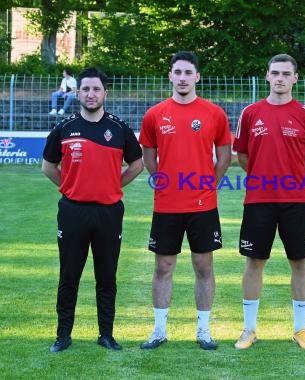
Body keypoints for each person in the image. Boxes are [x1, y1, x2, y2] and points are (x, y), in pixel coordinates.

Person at [42, 67, 143, 352]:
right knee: (69, 275)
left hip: (109, 213)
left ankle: (106, 334)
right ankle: (63, 335)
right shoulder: (64, 127)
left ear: (104, 93)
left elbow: (137, 164)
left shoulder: (119, 128)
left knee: (107, 276)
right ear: (77, 92)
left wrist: (115, 185)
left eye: (96, 89)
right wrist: (69, 187)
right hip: (73, 211)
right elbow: (48, 166)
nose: (90, 94)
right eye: (85, 89)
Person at [232, 53, 305, 350]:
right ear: (267, 76)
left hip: (295, 201)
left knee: (300, 262)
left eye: (286, 73)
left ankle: (300, 329)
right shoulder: (250, 113)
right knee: (254, 262)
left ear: (295, 78)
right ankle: (249, 329)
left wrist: (291, 180)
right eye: (275, 73)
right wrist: (264, 176)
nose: (280, 78)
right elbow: (243, 157)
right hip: (259, 199)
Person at [138, 51, 231, 351]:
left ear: (197, 77)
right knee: (163, 266)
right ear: (170, 76)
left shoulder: (214, 113)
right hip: (166, 204)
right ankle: (159, 329)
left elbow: (225, 156)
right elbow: (149, 157)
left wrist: (207, 185)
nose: (182, 78)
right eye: (177, 72)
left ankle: (203, 330)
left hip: (203, 205)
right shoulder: (155, 114)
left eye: (187, 73)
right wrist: (164, 181)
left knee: (203, 265)